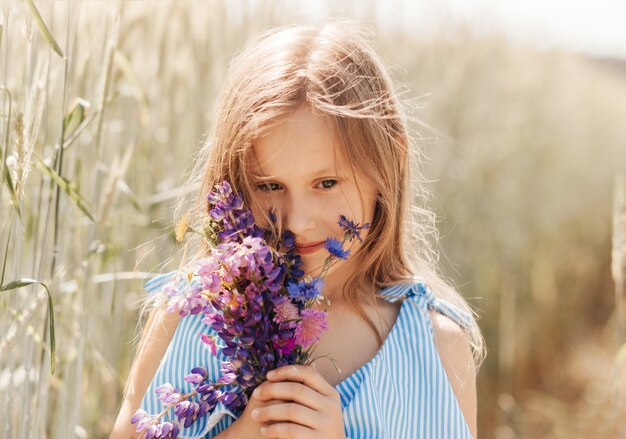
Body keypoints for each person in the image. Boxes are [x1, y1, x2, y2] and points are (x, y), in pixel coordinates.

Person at [111, 19, 485, 439]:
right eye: (270, 186)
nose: (296, 221)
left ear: (388, 166)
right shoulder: (192, 314)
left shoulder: (437, 346)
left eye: (326, 183)